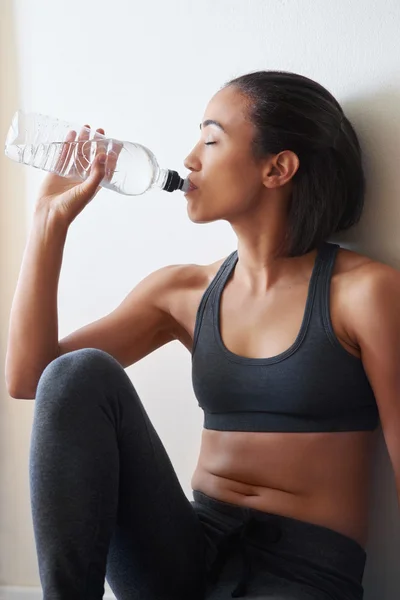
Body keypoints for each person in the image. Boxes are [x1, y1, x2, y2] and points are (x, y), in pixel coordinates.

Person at [5, 70, 400, 600]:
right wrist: (48, 225)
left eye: (211, 140)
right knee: (79, 372)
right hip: (184, 555)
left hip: (302, 574)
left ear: (277, 167)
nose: (190, 159)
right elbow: (35, 379)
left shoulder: (366, 294)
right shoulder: (182, 292)